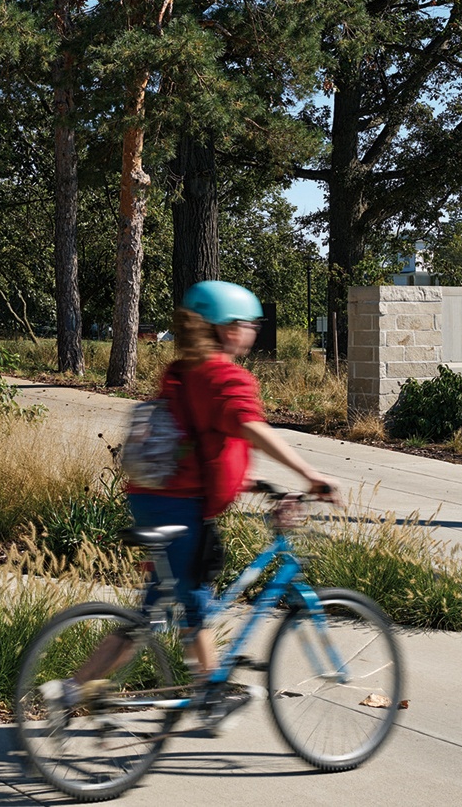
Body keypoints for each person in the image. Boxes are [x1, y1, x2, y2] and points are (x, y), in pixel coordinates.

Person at [55, 279, 340, 729]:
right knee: (184, 606)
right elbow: (251, 428)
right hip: (180, 507)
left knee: (171, 606)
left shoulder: (183, 370)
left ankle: (204, 691)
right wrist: (311, 475)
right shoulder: (225, 375)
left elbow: (200, 444)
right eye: (250, 324)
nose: (253, 331)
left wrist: (259, 486)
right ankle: (86, 689)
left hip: (155, 498)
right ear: (228, 329)